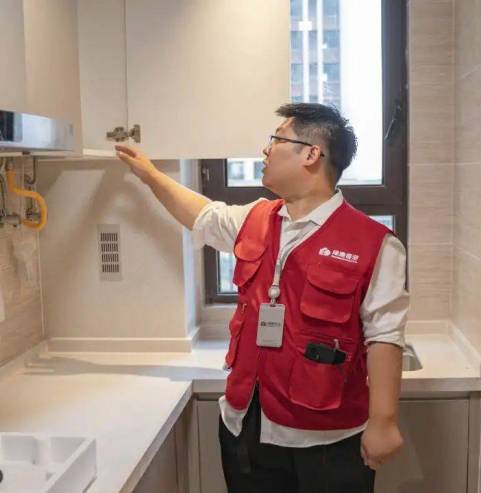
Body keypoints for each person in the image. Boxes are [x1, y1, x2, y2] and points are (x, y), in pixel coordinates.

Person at [115, 103, 407, 493]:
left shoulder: (375, 244)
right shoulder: (255, 218)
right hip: (245, 428)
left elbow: (384, 336)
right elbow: (204, 215)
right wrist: (151, 176)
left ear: (311, 154)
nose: (265, 150)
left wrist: (384, 422)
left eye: (277, 139)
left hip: (328, 440)